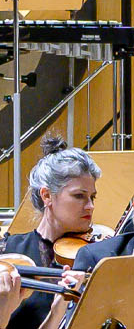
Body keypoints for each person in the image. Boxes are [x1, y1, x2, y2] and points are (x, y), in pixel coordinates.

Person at [6, 136, 103, 329]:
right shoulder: (10, 252)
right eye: (79, 196)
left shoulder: (97, 253)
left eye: (92, 197)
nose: (90, 206)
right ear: (47, 195)